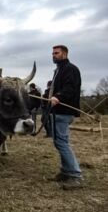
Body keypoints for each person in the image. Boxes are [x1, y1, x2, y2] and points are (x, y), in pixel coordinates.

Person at [49, 45, 83, 190]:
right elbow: (54, 89)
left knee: (61, 143)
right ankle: (66, 172)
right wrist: (47, 96)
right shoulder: (59, 70)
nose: (53, 55)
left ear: (65, 54)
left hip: (64, 111)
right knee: (60, 142)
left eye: (56, 53)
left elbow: (70, 88)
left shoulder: (71, 69)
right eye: (52, 53)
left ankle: (75, 175)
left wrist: (58, 97)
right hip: (58, 111)